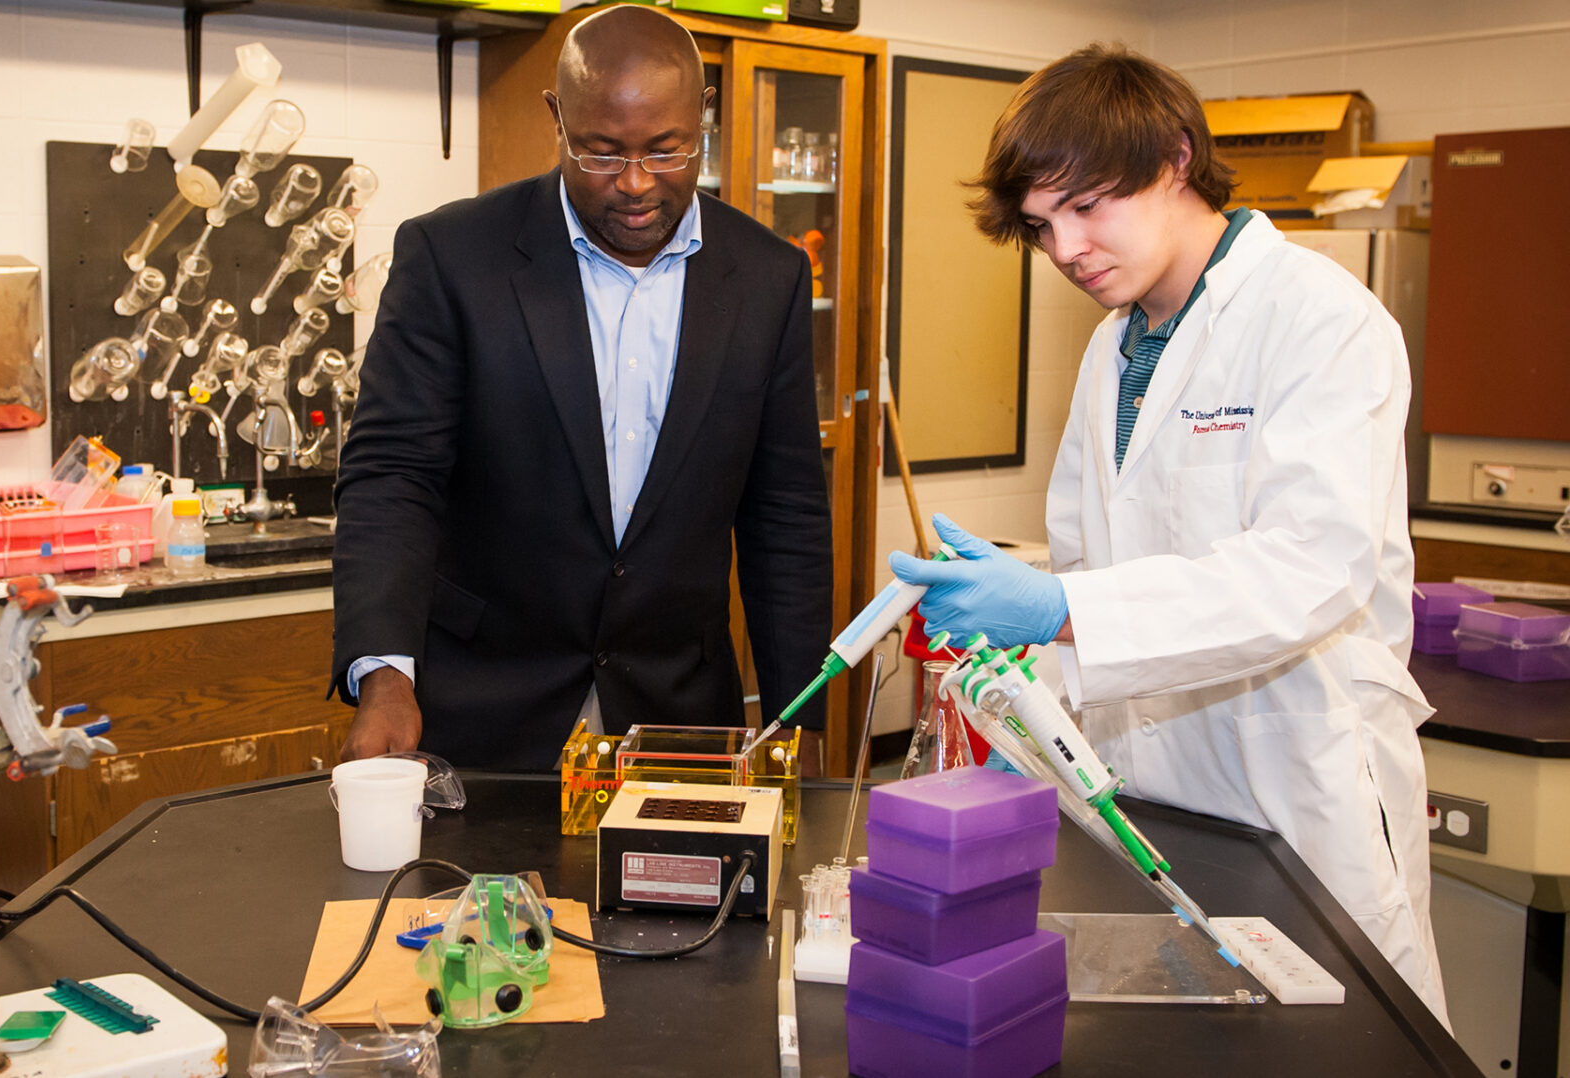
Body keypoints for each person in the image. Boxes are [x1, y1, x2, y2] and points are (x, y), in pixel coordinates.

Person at [889, 44, 1448, 1022]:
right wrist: (1014, 690)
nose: (1066, 248)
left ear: (1175, 159)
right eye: (1040, 225)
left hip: (1292, 788)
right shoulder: (1118, 344)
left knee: (1329, 1041)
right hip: (1146, 803)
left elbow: (1310, 571)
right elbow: (1087, 562)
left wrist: (1067, 610)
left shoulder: (1321, 320)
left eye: (1086, 205)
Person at [328, 5, 832, 772]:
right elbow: (393, 475)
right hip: (482, 709)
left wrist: (800, 722)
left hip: (680, 717)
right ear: (556, 119)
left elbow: (785, 514)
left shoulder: (769, 277)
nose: (634, 184)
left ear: (703, 116)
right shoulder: (452, 255)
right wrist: (385, 674)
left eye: (666, 151)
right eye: (600, 152)